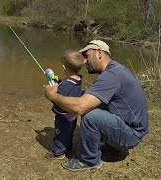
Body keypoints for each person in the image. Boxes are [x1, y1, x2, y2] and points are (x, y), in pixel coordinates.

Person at [44, 40, 149, 171]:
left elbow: (80, 107)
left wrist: (52, 96)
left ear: (99, 53)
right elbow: (89, 96)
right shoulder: (114, 69)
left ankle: (89, 160)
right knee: (92, 105)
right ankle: (113, 147)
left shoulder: (111, 76)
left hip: (132, 135)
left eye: (86, 56)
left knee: (90, 115)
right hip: (131, 128)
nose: (84, 61)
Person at [45, 50, 83, 160]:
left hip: (63, 116)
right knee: (69, 133)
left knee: (60, 133)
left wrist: (53, 87)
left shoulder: (64, 85)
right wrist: (59, 81)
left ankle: (58, 152)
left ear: (64, 67)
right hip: (73, 115)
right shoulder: (78, 79)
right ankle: (68, 149)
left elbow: (57, 97)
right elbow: (67, 87)